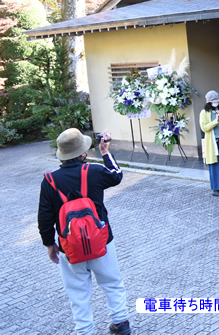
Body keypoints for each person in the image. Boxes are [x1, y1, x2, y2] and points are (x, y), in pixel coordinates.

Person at [38, 128, 131, 335]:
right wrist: (105, 152)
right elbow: (117, 175)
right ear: (83, 152)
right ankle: (121, 322)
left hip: (70, 246)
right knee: (111, 281)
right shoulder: (94, 171)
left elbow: (44, 217)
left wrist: (49, 244)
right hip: (101, 240)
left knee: (77, 291)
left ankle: (85, 330)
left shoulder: (49, 180)